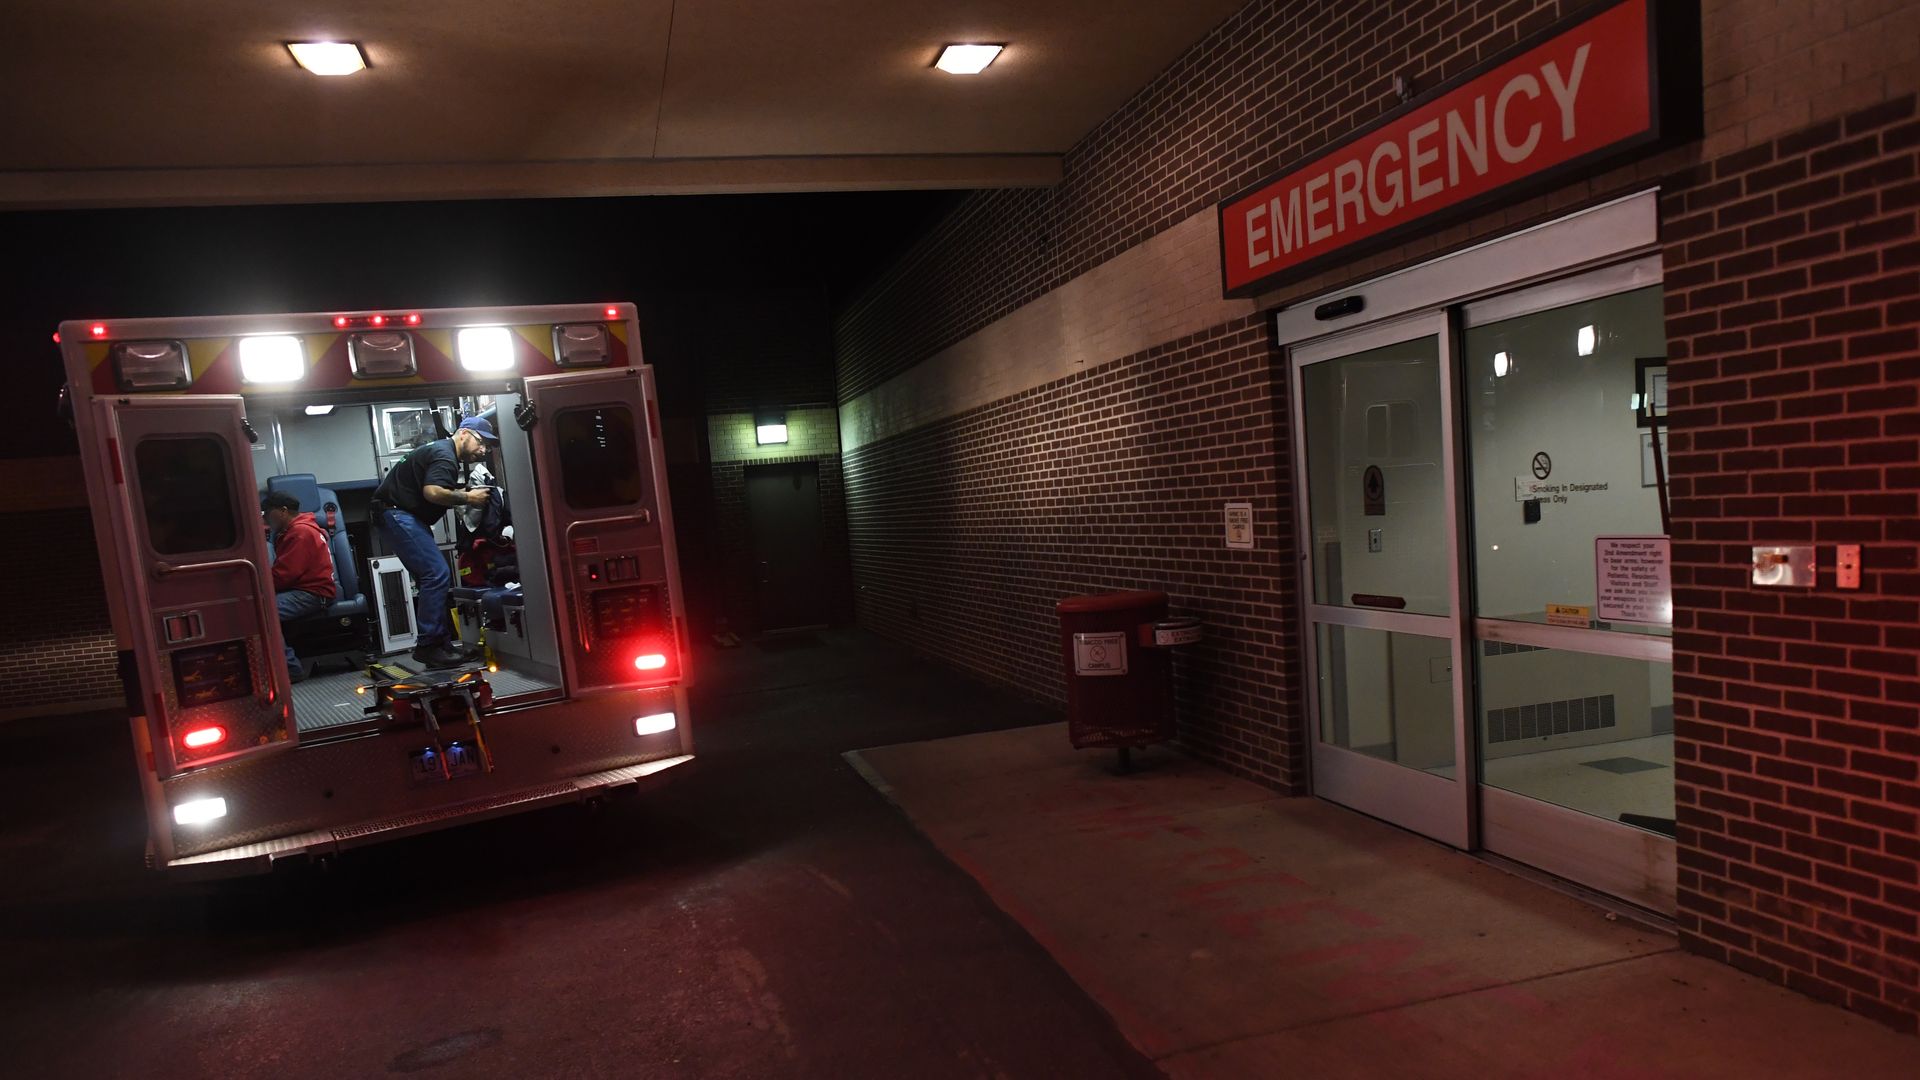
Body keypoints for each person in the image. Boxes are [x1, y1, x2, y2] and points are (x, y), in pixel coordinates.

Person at [371, 415, 497, 668]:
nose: (483, 451)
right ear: (464, 433)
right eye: (481, 442)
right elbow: (433, 493)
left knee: (433, 577)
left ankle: (441, 646)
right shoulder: (445, 456)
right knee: (436, 573)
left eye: (487, 447)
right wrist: (468, 498)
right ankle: (429, 645)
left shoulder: (439, 451)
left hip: (401, 514)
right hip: (398, 513)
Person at [262, 491, 336, 681]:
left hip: (313, 594)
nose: (266, 518)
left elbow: (284, 576)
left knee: (263, 613)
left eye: (268, 513)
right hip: (309, 590)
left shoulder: (300, 533)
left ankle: (290, 669)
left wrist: (258, 588)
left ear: (283, 511)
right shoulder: (299, 529)